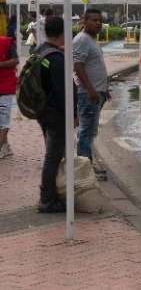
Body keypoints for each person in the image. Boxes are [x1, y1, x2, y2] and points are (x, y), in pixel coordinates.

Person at [35, 16, 74, 212]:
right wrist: (72, 115)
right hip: (56, 115)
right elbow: (63, 91)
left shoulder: (41, 51)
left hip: (43, 112)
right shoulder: (57, 59)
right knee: (53, 157)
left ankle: (50, 194)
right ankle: (47, 200)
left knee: (53, 155)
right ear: (62, 33)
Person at [72, 8, 109, 180]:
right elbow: (77, 65)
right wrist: (91, 90)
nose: (98, 23)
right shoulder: (82, 40)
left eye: (100, 20)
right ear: (84, 21)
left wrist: (104, 90)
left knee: (90, 132)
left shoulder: (91, 39)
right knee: (86, 132)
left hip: (96, 93)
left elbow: (94, 66)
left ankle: (88, 166)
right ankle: (85, 172)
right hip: (88, 95)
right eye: (94, 20)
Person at [0, 33, 18, 159]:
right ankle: (5, 145)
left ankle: (1, 146)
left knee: (3, 119)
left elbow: (15, 60)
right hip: (6, 85)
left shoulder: (6, 42)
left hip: (6, 86)